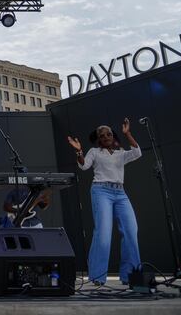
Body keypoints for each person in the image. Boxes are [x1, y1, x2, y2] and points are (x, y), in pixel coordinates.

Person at [67, 118, 142, 286]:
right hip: (101, 191)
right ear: (99, 139)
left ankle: (131, 275)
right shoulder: (94, 152)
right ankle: (98, 277)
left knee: (131, 231)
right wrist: (79, 152)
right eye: (102, 135)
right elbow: (84, 166)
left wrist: (127, 133)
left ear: (113, 136)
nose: (106, 136)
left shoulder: (120, 153)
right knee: (103, 233)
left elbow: (137, 152)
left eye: (109, 133)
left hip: (120, 192)